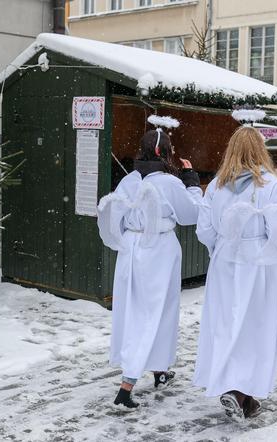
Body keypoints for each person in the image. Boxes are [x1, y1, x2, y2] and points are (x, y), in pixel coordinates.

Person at [193, 126, 277, 421]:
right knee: (257, 328)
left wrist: (222, 249)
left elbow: (204, 230)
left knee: (227, 325)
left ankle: (234, 387)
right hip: (259, 266)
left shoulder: (215, 186)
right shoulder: (269, 185)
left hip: (225, 264)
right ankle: (243, 391)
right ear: (260, 151)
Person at [97, 125, 202, 409]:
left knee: (137, 311)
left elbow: (114, 218)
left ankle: (160, 371)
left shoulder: (129, 180)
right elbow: (191, 214)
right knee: (154, 314)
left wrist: (132, 236)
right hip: (158, 251)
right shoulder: (169, 182)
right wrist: (192, 181)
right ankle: (126, 385)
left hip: (131, 251)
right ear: (163, 152)